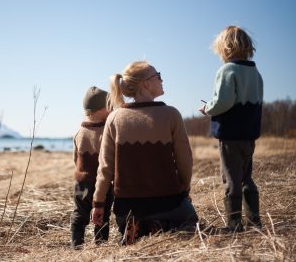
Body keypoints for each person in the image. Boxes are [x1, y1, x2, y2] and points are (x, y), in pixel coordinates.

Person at [91, 61, 198, 245]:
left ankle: (138, 227)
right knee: (191, 221)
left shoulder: (114, 118)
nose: (162, 79)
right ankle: (160, 225)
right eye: (158, 75)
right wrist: (184, 188)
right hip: (168, 201)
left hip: (128, 207)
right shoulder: (171, 115)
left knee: (133, 219)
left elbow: (105, 169)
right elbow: (185, 160)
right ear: (146, 84)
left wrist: (98, 203)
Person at [199, 25, 263, 233]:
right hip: (249, 134)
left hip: (231, 134)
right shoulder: (255, 73)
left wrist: (207, 108)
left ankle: (234, 224)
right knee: (246, 177)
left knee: (231, 178)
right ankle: (254, 220)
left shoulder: (227, 70)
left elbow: (223, 102)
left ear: (225, 48)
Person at [71, 86, 114, 249]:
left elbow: (76, 158)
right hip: (102, 185)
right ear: (102, 109)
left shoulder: (79, 132)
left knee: (79, 215)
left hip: (81, 183)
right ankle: (100, 246)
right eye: (111, 106)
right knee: (102, 216)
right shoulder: (106, 131)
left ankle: (77, 246)